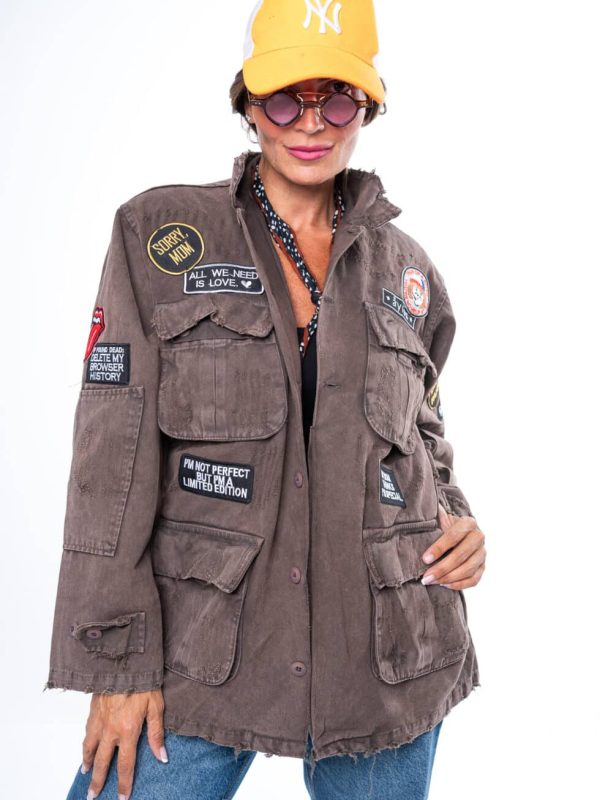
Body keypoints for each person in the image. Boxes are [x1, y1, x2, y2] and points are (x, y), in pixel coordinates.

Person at [45, 1, 486, 798]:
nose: (310, 123)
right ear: (248, 104)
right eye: (285, 99)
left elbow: (424, 426)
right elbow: (109, 463)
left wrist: (455, 514)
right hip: (202, 649)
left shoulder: (409, 270)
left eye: (337, 100)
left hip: (386, 652)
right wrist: (117, 662)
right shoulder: (158, 236)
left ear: (368, 108)